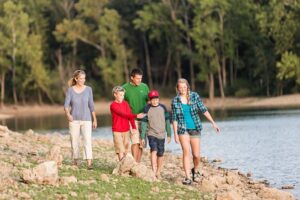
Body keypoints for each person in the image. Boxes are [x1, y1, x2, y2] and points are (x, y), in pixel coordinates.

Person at [171, 78, 220, 185]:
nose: (183, 89)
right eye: (180, 87)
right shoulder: (175, 101)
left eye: (185, 87)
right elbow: (174, 118)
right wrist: (175, 134)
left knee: (196, 155)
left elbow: (203, 110)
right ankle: (188, 177)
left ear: (187, 87)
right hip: (182, 129)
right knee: (186, 152)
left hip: (195, 128)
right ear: (177, 88)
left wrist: (213, 123)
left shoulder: (194, 96)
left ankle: (195, 170)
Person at [64, 70, 97, 169]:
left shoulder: (88, 90)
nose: (83, 80)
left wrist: (94, 119)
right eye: (81, 78)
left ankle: (89, 163)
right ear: (76, 79)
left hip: (87, 120)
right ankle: (75, 162)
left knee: (87, 141)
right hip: (74, 120)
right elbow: (66, 105)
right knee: (74, 141)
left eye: (84, 78)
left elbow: (91, 105)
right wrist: (68, 115)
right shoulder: (70, 90)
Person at [140, 90, 172, 179]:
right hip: (151, 133)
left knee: (160, 153)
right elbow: (144, 123)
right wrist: (142, 136)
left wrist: (169, 134)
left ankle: (158, 172)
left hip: (161, 134)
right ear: (150, 100)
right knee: (154, 150)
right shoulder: (147, 108)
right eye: (152, 99)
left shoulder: (163, 108)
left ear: (158, 99)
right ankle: (153, 171)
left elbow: (167, 122)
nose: (155, 101)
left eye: (156, 99)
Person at [110, 86, 145, 161]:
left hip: (126, 129)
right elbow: (123, 114)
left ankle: (125, 164)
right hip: (117, 130)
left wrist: (134, 127)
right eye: (120, 95)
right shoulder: (113, 105)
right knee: (120, 149)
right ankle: (122, 165)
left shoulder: (125, 104)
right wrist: (136, 115)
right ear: (115, 95)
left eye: (123, 95)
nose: (122, 97)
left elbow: (130, 116)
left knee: (125, 149)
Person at [123, 68, 149, 162]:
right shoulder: (125, 88)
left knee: (142, 141)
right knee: (135, 141)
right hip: (132, 119)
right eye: (137, 78)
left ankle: (137, 163)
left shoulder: (144, 87)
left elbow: (149, 102)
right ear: (132, 78)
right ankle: (134, 162)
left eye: (140, 78)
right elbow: (121, 104)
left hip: (144, 119)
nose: (139, 80)